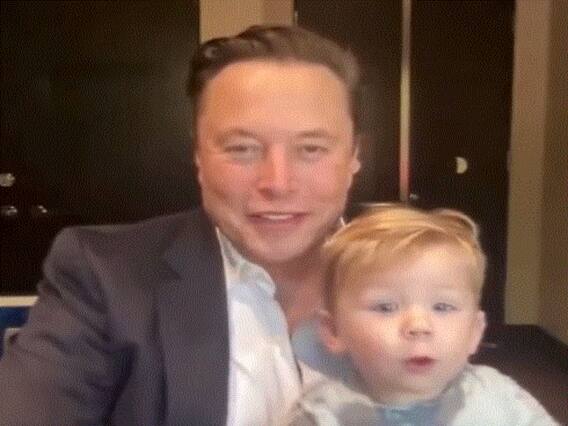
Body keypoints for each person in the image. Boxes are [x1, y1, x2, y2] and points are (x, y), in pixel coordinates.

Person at [0, 26, 362, 425]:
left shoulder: (417, 271)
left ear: (353, 156)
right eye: (242, 149)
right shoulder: (105, 277)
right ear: (199, 157)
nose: (277, 182)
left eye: (311, 149)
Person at [285, 205, 559, 425]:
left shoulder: (500, 399)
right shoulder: (321, 414)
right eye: (386, 307)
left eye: (442, 307)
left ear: (474, 332)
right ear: (333, 330)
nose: (419, 326)